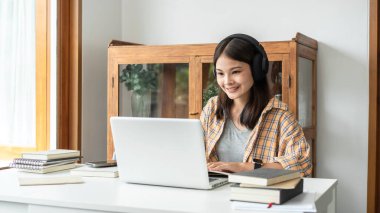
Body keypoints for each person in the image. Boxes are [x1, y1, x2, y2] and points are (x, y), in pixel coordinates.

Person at [201, 34, 312, 177]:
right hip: (215, 193)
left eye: (235, 72)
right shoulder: (212, 108)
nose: (227, 81)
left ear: (256, 70)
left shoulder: (280, 115)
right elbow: (192, 154)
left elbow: (303, 164)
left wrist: (246, 167)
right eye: (220, 74)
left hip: (258, 196)